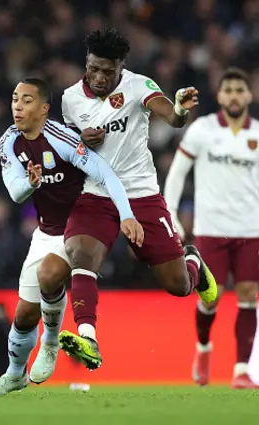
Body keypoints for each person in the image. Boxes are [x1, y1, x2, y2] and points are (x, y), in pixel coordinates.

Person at [56, 27, 217, 370]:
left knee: (177, 286)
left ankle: (193, 263)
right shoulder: (70, 99)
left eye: (107, 71)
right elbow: (67, 147)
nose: (99, 77)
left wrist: (180, 110)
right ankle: (88, 337)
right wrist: (80, 140)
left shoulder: (138, 86)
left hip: (141, 193)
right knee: (81, 255)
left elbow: (171, 117)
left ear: (120, 67)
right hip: (95, 194)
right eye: (93, 68)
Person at [0, 78, 143, 395]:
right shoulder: (8, 142)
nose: (17, 105)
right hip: (45, 231)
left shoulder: (62, 138)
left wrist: (126, 214)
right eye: (15, 98)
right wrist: (31, 182)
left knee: (50, 274)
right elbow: (15, 193)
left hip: (80, 225)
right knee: (25, 313)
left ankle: (51, 341)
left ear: (43, 109)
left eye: (26, 100)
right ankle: (15, 375)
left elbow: (104, 172)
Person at [163, 67, 259, 389]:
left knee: (249, 296)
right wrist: (170, 213)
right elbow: (177, 172)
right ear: (220, 95)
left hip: (252, 230)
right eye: (229, 90)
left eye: (241, 89)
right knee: (211, 297)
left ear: (250, 95)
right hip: (211, 228)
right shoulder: (202, 129)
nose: (235, 95)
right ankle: (203, 347)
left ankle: (241, 371)